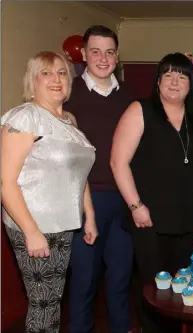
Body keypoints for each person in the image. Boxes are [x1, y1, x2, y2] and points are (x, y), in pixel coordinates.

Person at [1, 51, 97, 333]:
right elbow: (6, 182)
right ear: (33, 80)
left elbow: (79, 176)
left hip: (63, 225)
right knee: (43, 304)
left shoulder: (69, 120)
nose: (56, 79)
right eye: (46, 73)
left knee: (52, 300)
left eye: (62, 73)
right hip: (34, 223)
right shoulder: (25, 118)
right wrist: (31, 232)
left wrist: (88, 216)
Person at [111, 53, 193, 333]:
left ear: (191, 83)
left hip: (189, 218)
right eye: (168, 75)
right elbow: (118, 162)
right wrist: (136, 206)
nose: (175, 81)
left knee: (184, 286)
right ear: (158, 81)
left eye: (182, 75)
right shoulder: (140, 110)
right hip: (150, 218)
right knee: (155, 287)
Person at [65, 25, 135, 333]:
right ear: (83, 54)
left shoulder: (131, 99)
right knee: (83, 284)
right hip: (85, 202)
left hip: (124, 203)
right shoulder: (68, 94)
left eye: (109, 52)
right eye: (95, 51)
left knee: (120, 282)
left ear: (117, 56)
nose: (103, 59)